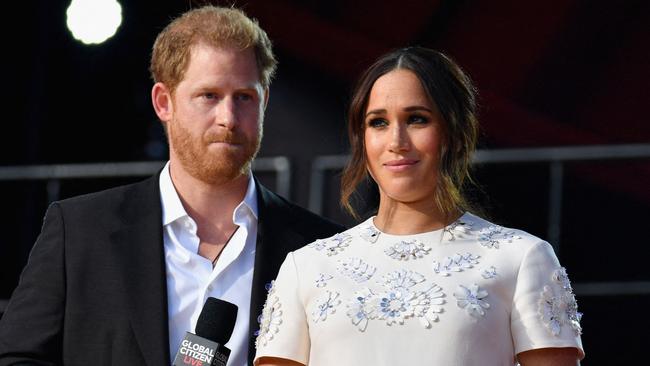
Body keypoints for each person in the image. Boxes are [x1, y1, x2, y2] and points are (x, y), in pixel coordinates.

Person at [0, 6, 342, 366]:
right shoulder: (81, 231)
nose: (228, 117)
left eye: (244, 96)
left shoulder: (318, 249)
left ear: (264, 101)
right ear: (164, 102)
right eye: (209, 95)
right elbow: (17, 358)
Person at [254, 47, 584, 366]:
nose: (396, 142)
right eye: (378, 122)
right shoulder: (307, 267)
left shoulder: (521, 259)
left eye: (416, 119)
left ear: (453, 133)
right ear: (362, 139)